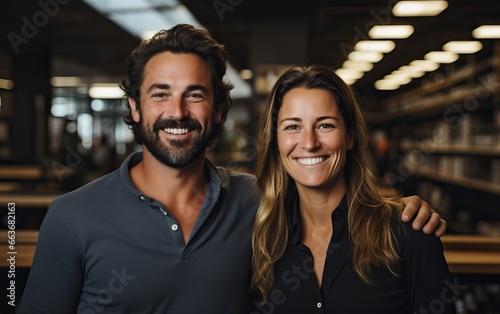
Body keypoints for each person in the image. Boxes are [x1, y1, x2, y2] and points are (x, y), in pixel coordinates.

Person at [19, 24, 445, 313]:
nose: (177, 112)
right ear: (134, 106)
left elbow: (331, 197)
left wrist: (399, 211)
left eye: (195, 95)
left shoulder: (257, 205)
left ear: (219, 110)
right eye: (160, 94)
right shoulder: (72, 217)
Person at [251, 65, 456, 313]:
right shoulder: (263, 244)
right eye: (293, 127)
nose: (309, 143)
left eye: (325, 125)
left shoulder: (409, 233)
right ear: (276, 141)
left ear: (349, 136)